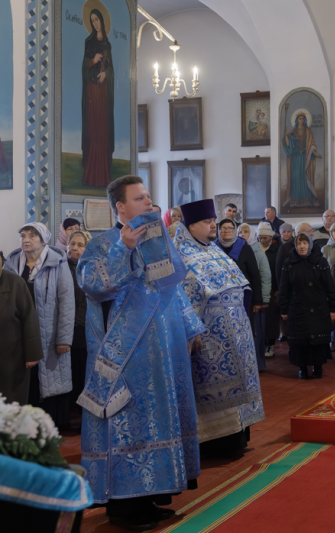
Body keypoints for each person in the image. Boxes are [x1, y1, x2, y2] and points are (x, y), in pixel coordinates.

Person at [76, 175, 204, 529]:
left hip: (165, 353)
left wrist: (191, 328)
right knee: (130, 426)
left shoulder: (157, 241)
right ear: (120, 207)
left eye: (148, 197)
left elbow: (173, 290)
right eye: (140, 198)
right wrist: (124, 248)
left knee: (160, 422)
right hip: (128, 359)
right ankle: (125, 507)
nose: (148, 202)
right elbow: (92, 284)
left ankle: (150, 497)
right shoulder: (103, 243)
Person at [174, 199, 265, 456]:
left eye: (213, 220)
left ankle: (238, 436)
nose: (214, 225)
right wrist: (192, 330)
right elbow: (183, 298)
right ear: (191, 225)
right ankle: (216, 444)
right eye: (207, 221)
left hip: (235, 332)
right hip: (209, 337)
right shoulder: (182, 255)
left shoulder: (213, 249)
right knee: (213, 391)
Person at [3, 222, 74, 429]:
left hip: (48, 333)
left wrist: (64, 338)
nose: (26, 239)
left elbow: (67, 302)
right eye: (23, 235)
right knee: (21, 380)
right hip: (16, 335)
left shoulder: (57, 263)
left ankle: (45, 429)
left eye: (32, 236)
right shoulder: (10, 263)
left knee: (46, 381)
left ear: (44, 240)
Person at [279, 232, 335, 379]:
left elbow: (330, 286)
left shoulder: (321, 261)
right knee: (300, 341)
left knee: (317, 340)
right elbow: (284, 287)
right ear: (295, 245)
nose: (302, 246)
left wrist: (333, 307)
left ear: (310, 244)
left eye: (305, 243)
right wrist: (283, 308)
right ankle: (302, 368)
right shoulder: (289, 263)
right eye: (299, 243)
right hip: (297, 308)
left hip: (318, 308)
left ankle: (317, 367)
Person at [0, 252, 43, 405]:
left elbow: (29, 319)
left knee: (11, 401)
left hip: (12, 357)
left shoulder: (16, 283)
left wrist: (32, 354)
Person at [81, 9, 114, 187]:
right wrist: (93, 60)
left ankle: (104, 172)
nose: (95, 23)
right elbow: (84, 66)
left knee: (103, 128)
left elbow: (112, 68)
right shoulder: (89, 42)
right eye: (92, 20)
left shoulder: (108, 44)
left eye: (97, 19)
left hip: (103, 91)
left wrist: (106, 73)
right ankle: (91, 171)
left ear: (102, 20)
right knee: (94, 128)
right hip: (93, 91)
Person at [215, 219, 263, 329]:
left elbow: (254, 275)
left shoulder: (244, 247)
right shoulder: (212, 247)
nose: (227, 230)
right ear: (219, 231)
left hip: (242, 297)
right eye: (223, 228)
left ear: (235, 230)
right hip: (219, 299)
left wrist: (257, 301)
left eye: (230, 228)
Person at [239, 223, 272, 371]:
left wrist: (263, 299)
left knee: (257, 333)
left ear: (251, 235)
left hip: (255, 299)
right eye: (239, 233)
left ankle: (258, 364)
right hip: (243, 299)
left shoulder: (258, 253)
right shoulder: (238, 250)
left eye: (245, 233)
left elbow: (265, 277)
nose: (242, 235)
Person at [66, 230, 91, 422]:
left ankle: (81, 413)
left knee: (81, 370)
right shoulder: (59, 267)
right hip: (64, 329)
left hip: (82, 330)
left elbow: (87, 299)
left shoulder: (90, 268)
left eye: (80, 245)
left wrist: (77, 321)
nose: (74, 248)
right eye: (72, 243)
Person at [257, 223, 281, 359]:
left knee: (271, 318)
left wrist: (278, 288)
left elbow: (279, 270)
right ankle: (260, 343)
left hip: (273, 289)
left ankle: (270, 344)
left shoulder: (278, 249)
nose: (262, 240)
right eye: (259, 238)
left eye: (265, 238)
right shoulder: (254, 249)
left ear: (271, 237)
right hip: (258, 288)